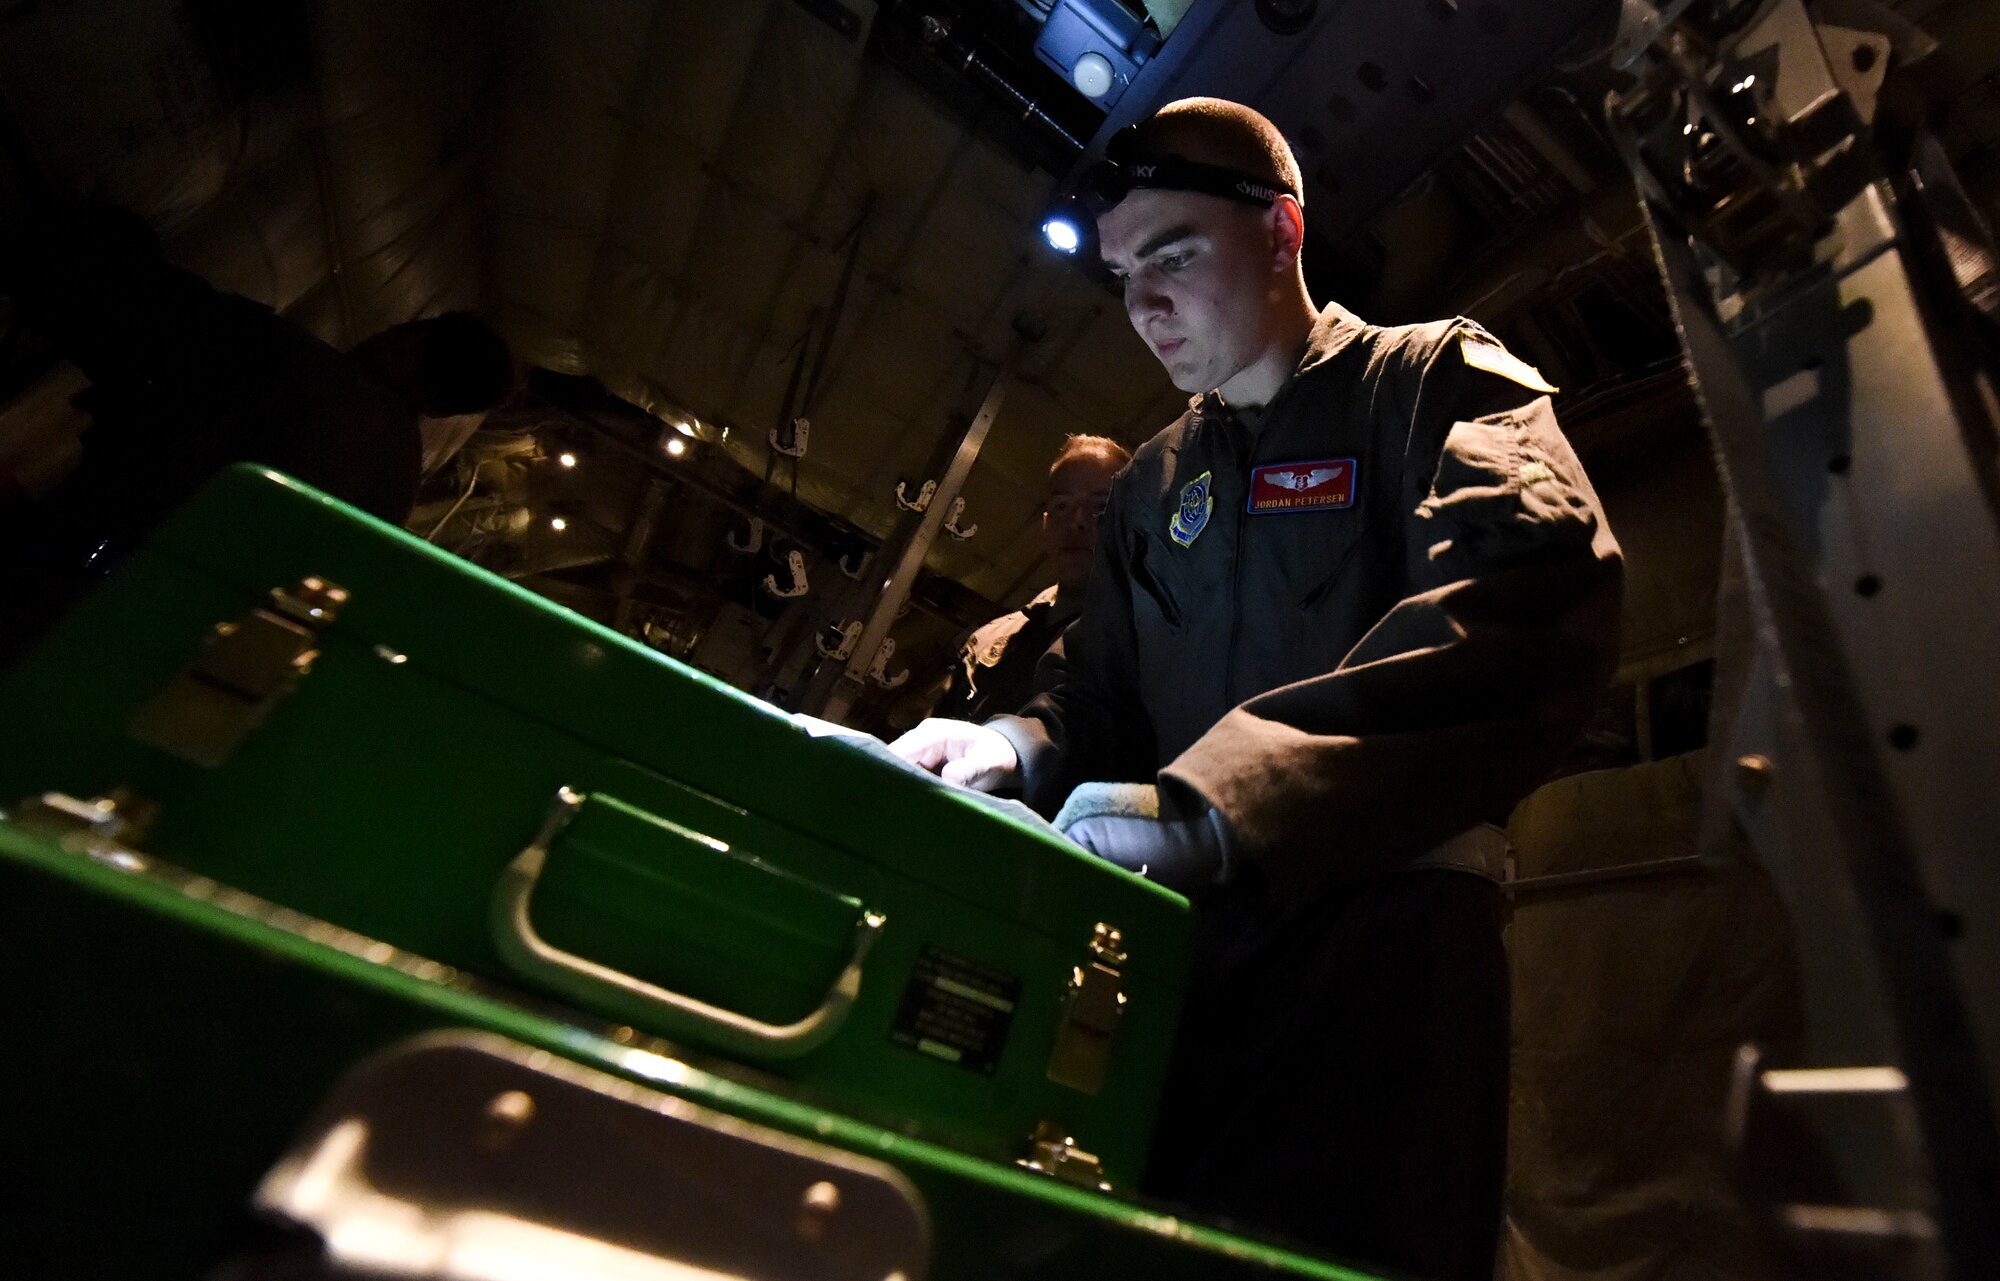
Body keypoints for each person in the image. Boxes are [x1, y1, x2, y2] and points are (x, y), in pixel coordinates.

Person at [891, 97, 1622, 1280]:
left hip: (1382, 965)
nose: (1141, 305)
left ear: (1280, 233)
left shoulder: (1430, 380)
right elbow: (1101, 695)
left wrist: (1220, 805)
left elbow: (1523, 608)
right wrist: (1012, 745)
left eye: (1172, 257)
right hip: (1179, 960)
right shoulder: (1149, 488)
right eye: (1126, 274)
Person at [0, 201, 514, 663]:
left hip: (59, 582)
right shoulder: (394, 492)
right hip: (145, 650)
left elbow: (128, 299)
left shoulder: (295, 366)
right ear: (447, 410)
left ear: (408, 339)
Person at [931, 434, 1131, 723]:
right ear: (1046, 523)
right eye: (1063, 505)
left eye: (1100, 507)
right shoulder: (990, 640)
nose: (1077, 521)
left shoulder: (1142, 643)